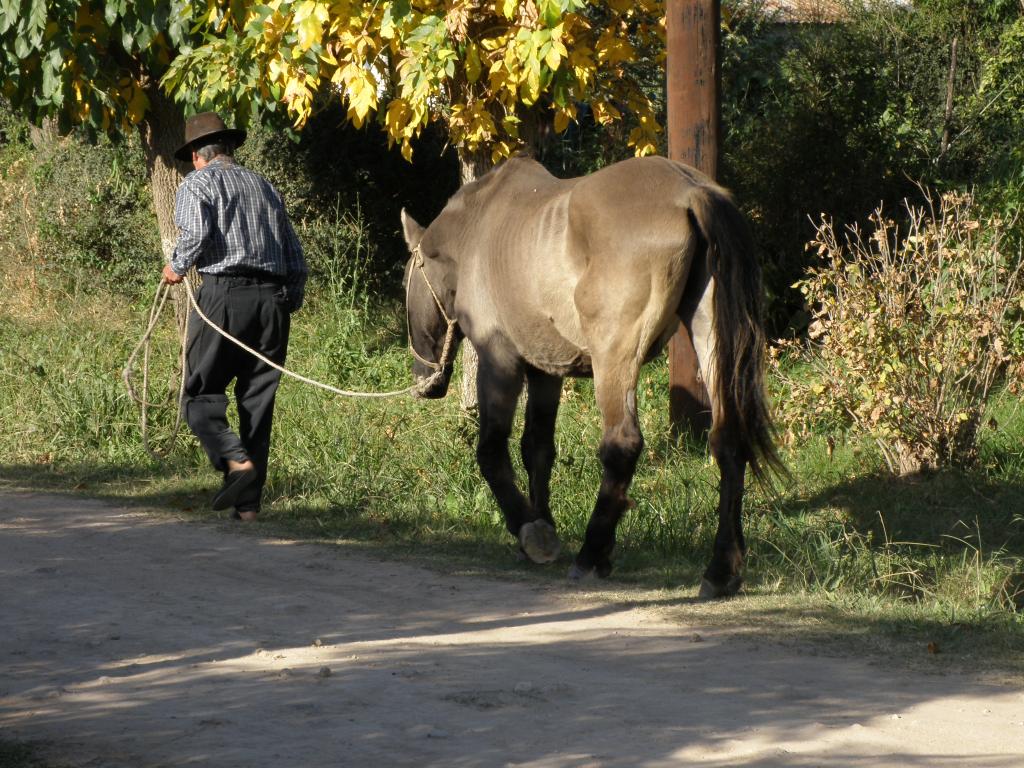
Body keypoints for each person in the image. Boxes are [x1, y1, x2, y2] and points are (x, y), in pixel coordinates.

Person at [161, 112, 307, 521]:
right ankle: (248, 508)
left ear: (196, 155)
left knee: (199, 393)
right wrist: (285, 301)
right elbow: (295, 254)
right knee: (257, 402)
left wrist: (177, 266)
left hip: (224, 297)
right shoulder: (264, 185)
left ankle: (234, 461)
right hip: (272, 302)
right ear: (227, 148)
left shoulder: (196, 184)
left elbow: (195, 235)